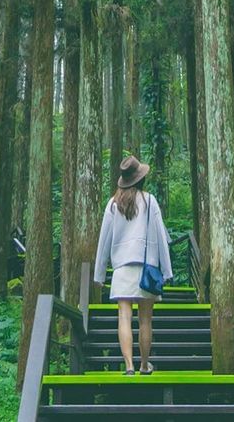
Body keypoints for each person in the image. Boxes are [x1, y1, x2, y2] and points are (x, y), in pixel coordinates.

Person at [93, 154, 172, 375]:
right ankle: (144, 364)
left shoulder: (112, 203)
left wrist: (99, 275)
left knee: (124, 317)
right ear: (140, 179)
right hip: (147, 268)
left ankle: (128, 366)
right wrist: (167, 271)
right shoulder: (150, 200)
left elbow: (104, 240)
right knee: (145, 319)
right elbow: (161, 237)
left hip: (121, 269)